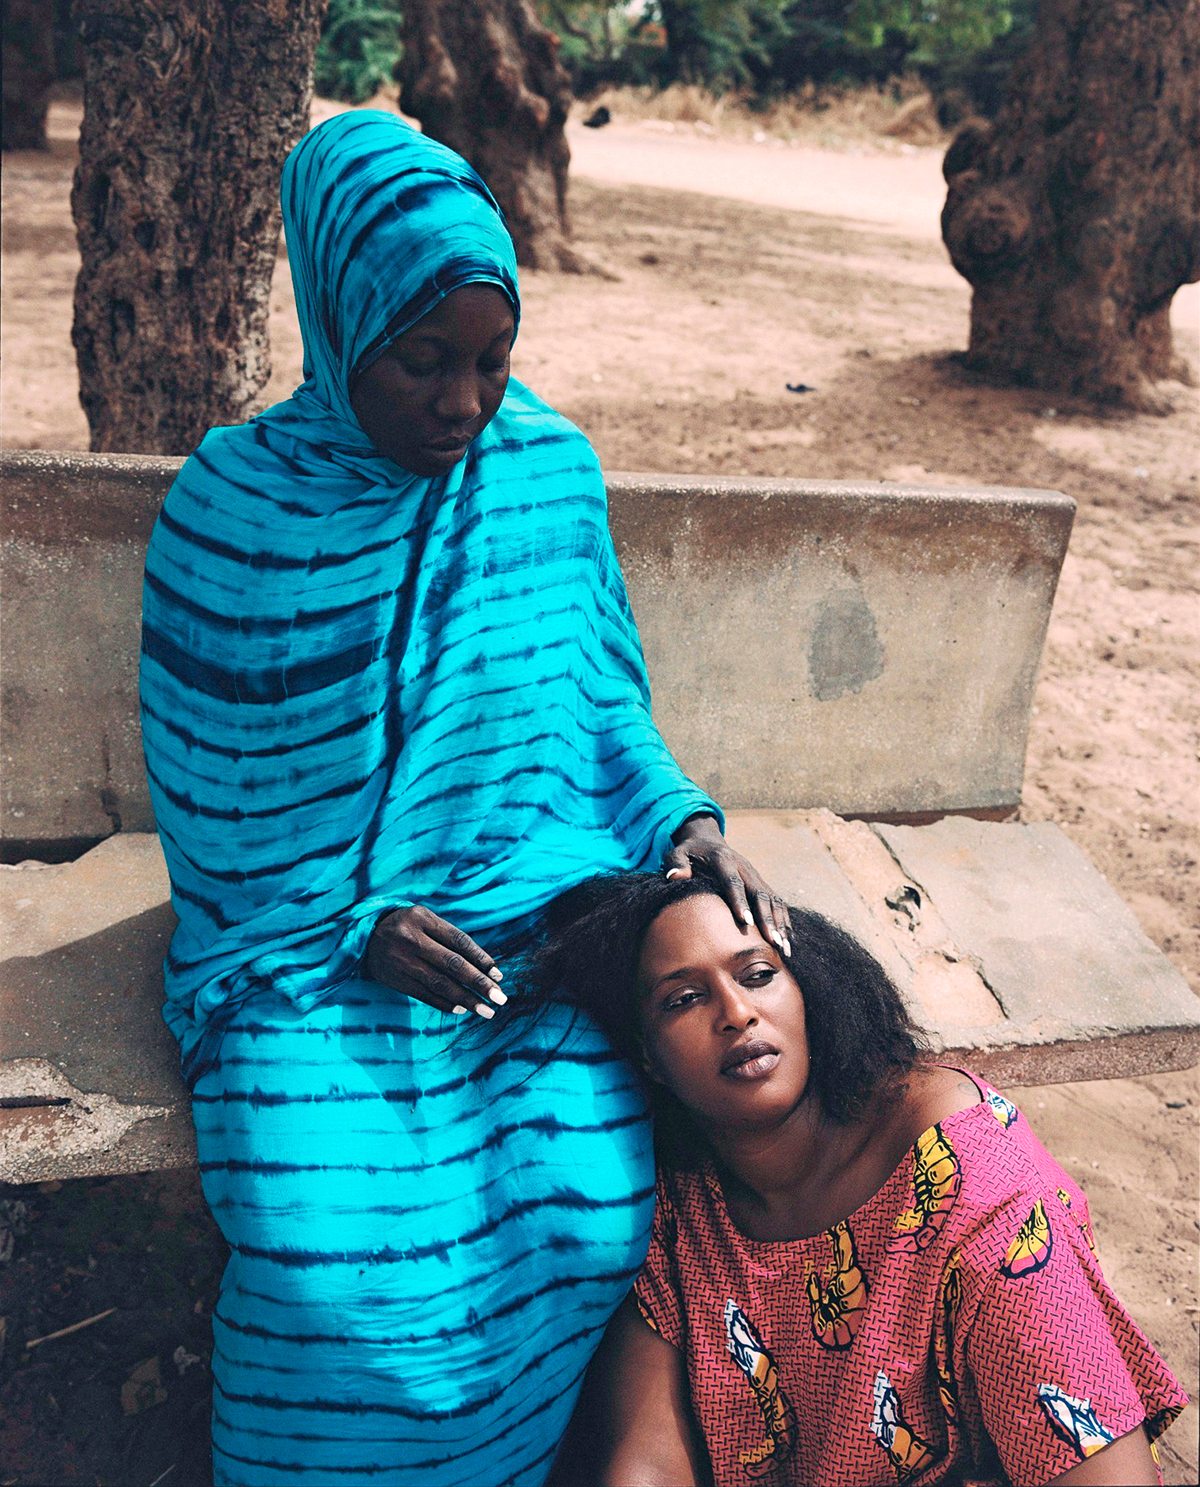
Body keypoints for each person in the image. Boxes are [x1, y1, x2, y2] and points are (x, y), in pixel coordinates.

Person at [138, 111, 788, 1487]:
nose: (464, 404)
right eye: (422, 361)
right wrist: (351, 922)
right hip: (302, 952)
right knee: (330, 1267)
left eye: (493, 361)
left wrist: (683, 820)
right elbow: (211, 807)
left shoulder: (543, 474)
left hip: (524, 923)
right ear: (335, 320)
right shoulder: (231, 508)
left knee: (582, 1202)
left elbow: (604, 702)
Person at [530, 868, 1189, 1486]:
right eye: (685, 998)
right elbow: (645, 1464)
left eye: (758, 973)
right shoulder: (683, 1199)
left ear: (807, 989)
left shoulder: (975, 1186)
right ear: (649, 1055)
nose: (735, 1012)